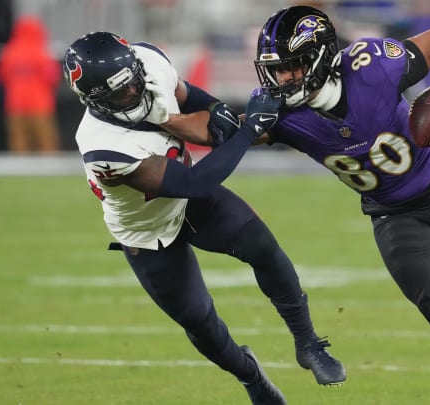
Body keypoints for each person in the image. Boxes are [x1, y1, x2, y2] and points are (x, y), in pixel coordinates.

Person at [251, 6, 430, 405]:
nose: (283, 78)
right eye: (276, 69)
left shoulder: (370, 66)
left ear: (319, 58)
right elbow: (217, 130)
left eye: (293, 66)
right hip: (395, 214)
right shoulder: (275, 111)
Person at [62, 31, 345, 404]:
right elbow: (196, 182)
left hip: (190, 198)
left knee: (262, 245)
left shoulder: (147, 60)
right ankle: (252, 378)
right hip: (147, 231)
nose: (135, 90)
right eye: (122, 92)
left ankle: (308, 343)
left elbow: (186, 94)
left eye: (134, 80)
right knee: (200, 321)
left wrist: (217, 112)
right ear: (95, 99)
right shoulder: (102, 145)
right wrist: (248, 130)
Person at [0, 15, 61, 154]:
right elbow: (53, 77)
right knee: (45, 144)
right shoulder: (42, 52)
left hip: (15, 106)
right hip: (41, 106)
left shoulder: (9, 52)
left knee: (19, 144)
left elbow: (1, 77)